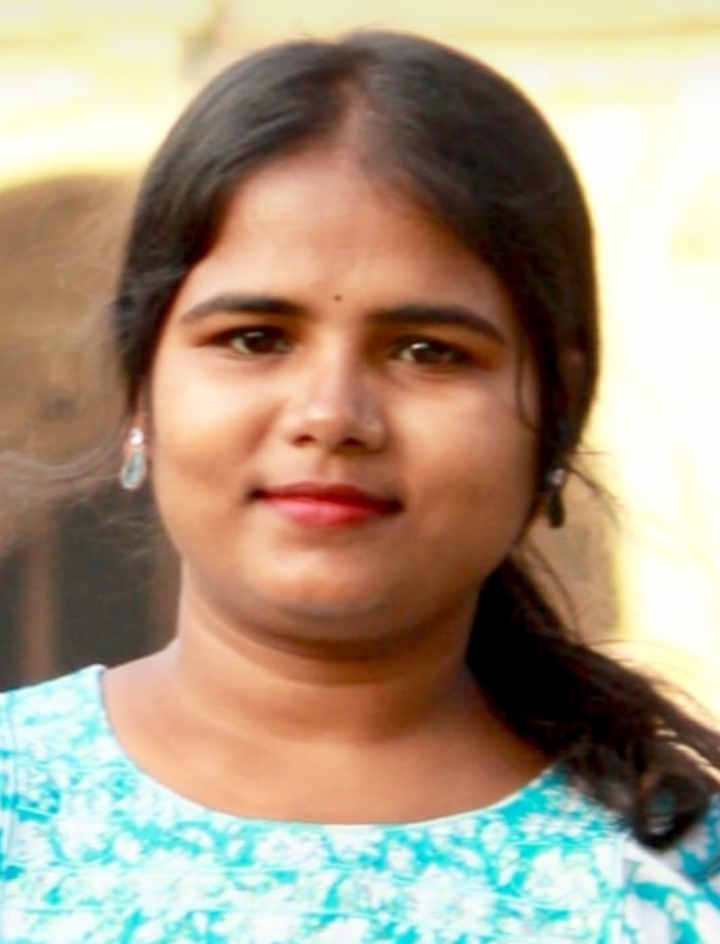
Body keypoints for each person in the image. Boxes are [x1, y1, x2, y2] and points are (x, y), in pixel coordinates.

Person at [1, 30, 719, 943]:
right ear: (142, 385)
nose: (332, 414)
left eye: (428, 351)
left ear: (558, 410)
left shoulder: (673, 881)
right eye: (256, 338)